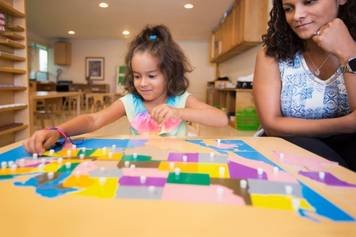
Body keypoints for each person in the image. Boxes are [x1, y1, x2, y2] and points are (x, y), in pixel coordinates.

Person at [25, 25, 228, 154]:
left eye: (152, 75)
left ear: (170, 73)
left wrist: (180, 112)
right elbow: (94, 119)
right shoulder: (131, 102)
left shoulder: (181, 99)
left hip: (176, 167)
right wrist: (59, 131)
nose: (143, 83)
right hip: (139, 165)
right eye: (137, 76)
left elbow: (221, 119)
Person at [253, 0, 356, 171]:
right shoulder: (271, 55)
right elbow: (272, 124)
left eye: (309, 2)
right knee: (308, 148)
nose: (297, 16)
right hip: (289, 146)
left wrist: (348, 51)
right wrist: (346, 124)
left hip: (348, 147)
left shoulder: (351, 49)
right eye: (288, 9)